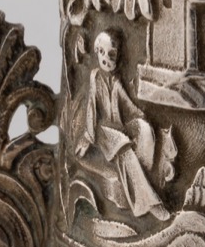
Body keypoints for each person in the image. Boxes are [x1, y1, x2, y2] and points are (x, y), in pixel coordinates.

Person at [71, 30, 170, 220]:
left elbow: (127, 105)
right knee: (122, 144)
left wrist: (142, 117)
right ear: (97, 52)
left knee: (143, 128)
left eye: (112, 55)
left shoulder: (115, 80)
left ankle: (138, 179)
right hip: (102, 132)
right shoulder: (95, 77)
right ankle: (149, 204)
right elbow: (91, 107)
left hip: (118, 128)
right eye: (103, 53)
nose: (107, 59)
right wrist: (87, 137)